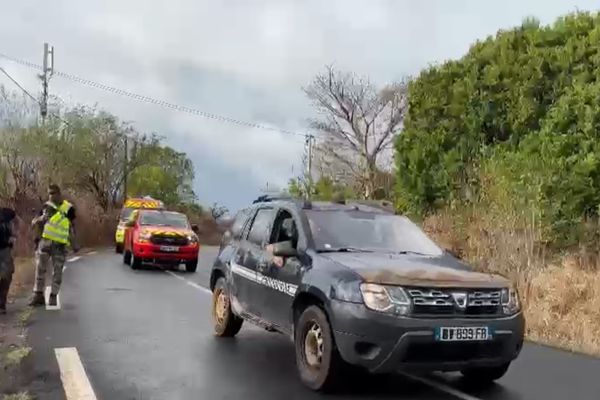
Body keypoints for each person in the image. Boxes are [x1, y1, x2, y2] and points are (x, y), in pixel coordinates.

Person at [29, 184, 78, 307]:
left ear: (59, 193)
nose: (51, 196)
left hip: (60, 245)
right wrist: (41, 219)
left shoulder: (68, 209)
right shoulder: (46, 206)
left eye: (53, 193)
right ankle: (38, 295)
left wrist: (74, 244)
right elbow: (34, 223)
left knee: (57, 272)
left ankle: (53, 296)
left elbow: (72, 228)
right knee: (40, 269)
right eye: (49, 193)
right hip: (45, 242)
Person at [0, 207, 17, 314]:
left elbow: (15, 219)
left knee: (7, 275)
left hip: (4, 249)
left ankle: (2, 303)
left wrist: (12, 237)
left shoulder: (6, 213)